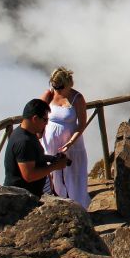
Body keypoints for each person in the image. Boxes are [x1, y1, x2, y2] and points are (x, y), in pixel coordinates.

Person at [40, 67, 90, 208]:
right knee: (52, 174)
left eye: (60, 87)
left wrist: (70, 142)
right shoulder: (49, 95)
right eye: (55, 86)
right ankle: (56, 205)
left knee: (74, 174)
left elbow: (82, 124)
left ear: (68, 83)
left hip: (72, 143)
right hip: (50, 143)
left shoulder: (77, 98)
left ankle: (78, 206)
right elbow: (35, 111)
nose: (57, 90)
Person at [4, 99, 70, 197]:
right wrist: (55, 166)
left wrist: (52, 159)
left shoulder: (27, 132)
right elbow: (29, 176)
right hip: (23, 199)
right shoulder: (24, 141)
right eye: (45, 119)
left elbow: (32, 157)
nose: (47, 123)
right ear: (35, 119)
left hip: (31, 194)